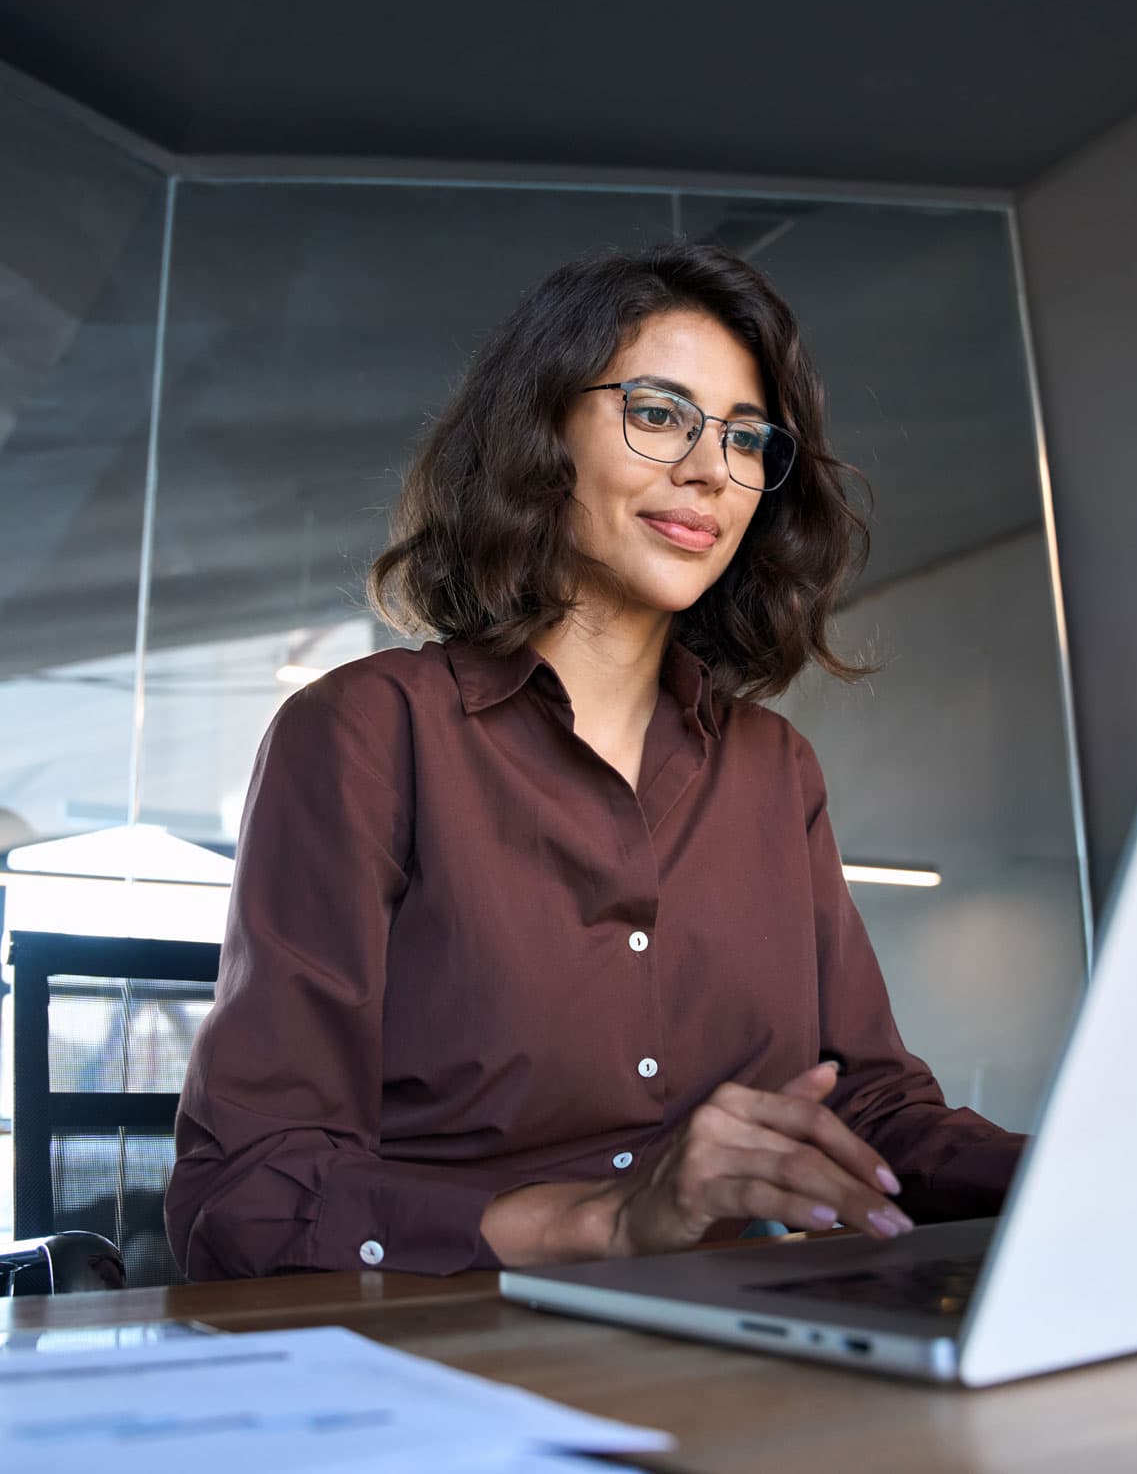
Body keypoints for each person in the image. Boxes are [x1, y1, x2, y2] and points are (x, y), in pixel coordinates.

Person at [166, 242, 1025, 1280]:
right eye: (659, 414)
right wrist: (604, 1221)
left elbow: (870, 1108)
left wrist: (1083, 1169)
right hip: (459, 1344)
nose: (711, 470)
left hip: (748, 1337)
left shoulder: (774, 769)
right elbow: (246, 1193)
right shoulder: (364, 734)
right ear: (539, 434)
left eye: (747, 438)